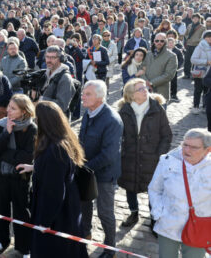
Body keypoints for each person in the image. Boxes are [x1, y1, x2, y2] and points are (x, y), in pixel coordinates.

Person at [16, 101, 89, 258]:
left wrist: (45, 222)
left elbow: (54, 192)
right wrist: (34, 168)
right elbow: (56, 173)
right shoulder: (61, 141)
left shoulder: (54, 151)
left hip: (58, 217)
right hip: (66, 209)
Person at [117, 79, 172, 228]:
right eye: (140, 89)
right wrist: (122, 153)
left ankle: (154, 218)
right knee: (130, 186)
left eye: (145, 87)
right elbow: (117, 135)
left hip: (152, 158)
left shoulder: (157, 109)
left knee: (153, 189)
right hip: (129, 157)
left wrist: (159, 155)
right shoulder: (124, 111)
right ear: (131, 95)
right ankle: (133, 213)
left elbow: (167, 135)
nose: (145, 90)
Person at [148, 129, 211, 258]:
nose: (187, 150)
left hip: (199, 227)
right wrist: (159, 213)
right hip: (168, 224)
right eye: (185, 145)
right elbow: (154, 189)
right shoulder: (167, 161)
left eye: (194, 147)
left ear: (207, 150)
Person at [0, 94, 36, 256]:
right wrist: (6, 133)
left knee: (21, 211)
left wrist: (5, 154)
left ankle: (24, 246)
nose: (8, 110)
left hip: (21, 177)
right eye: (8, 106)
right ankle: (1, 239)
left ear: (24, 111)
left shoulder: (32, 129)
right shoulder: (1, 125)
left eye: (13, 108)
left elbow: (27, 157)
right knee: (1, 208)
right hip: (2, 175)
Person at [79, 80, 123, 258]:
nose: (83, 96)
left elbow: (109, 154)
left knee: (105, 212)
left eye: (87, 94)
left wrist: (85, 168)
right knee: (84, 206)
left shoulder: (112, 119)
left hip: (104, 174)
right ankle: (85, 234)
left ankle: (110, 248)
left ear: (100, 97)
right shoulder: (88, 112)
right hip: (87, 170)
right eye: (83, 93)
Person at [141, 33, 178, 103]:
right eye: (157, 41)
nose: (159, 43)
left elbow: (169, 75)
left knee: (160, 113)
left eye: (162, 41)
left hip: (161, 92)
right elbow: (141, 68)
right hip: (146, 91)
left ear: (165, 42)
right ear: (154, 41)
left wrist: (151, 83)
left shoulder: (171, 56)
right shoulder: (148, 54)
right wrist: (145, 81)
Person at [39, 46, 76, 114]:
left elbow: (62, 106)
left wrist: (41, 100)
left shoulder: (65, 78)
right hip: (45, 116)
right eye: (47, 57)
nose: (49, 60)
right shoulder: (45, 74)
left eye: (53, 57)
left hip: (57, 120)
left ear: (60, 59)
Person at [190, 30, 211, 114]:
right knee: (198, 90)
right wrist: (206, 62)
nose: (210, 38)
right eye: (208, 37)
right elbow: (193, 59)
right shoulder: (200, 47)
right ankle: (196, 106)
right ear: (204, 38)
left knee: (207, 91)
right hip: (200, 72)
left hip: (209, 73)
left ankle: (205, 106)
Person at [184, 14, 205, 79]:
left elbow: (203, 37)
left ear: (199, 19)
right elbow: (186, 34)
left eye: (196, 18)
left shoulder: (202, 27)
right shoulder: (190, 26)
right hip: (189, 45)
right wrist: (189, 39)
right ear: (192, 19)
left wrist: (196, 40)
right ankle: (187, 74)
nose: (195, 19)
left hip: (197, 45)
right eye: (194, 18)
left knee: (195, 61)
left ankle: (194, 74)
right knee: (187, 60)